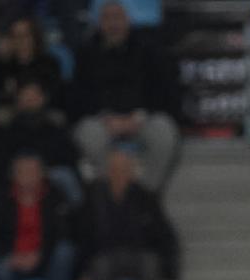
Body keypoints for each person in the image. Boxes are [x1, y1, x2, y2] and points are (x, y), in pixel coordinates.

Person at [69, 1, 182, 190]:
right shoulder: (86, 53)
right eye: (107, 19)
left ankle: (143, 194)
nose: (113, 25)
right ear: (98, 23)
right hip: (103, 121)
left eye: (117, 18)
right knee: (87, 135)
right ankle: (112, 193)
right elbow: (79, 96)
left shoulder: (148, 51)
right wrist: (106, 118)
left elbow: (163, 92)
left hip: (141, 118)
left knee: (164, 132)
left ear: (128, 21)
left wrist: (138, 118)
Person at [76, 148, 180, 280]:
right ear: (108, 172)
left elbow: (164, 234)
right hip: (105, 255)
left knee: (151, 264)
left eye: (124, 169)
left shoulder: (146, 198)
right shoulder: (93, 199)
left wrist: (170, 268)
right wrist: (81, 271)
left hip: (138, 254)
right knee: (100, 266)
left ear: (132, 172)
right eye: (115, 169)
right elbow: (82, 236)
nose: (120, 174)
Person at [0, 154, 75, 280]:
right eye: (22, 171)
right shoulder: (1, 198)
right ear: (13, 175)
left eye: (32, 171)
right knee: (1, 271)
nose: (28, 176)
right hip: (13, 259)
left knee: (64, 252)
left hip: (44, 258)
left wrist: (40, 255)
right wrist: (11, 258)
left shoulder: (55, 196)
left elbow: (64, 232)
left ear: (42, 174)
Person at [0, 16, 64, 109]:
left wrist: (39, 98)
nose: (20, 40)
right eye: (15, 36)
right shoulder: (2, 65)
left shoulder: (50, 63)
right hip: (13, 112)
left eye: (25, 35)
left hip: (43, 111)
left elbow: (57, 94)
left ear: (34, 37)